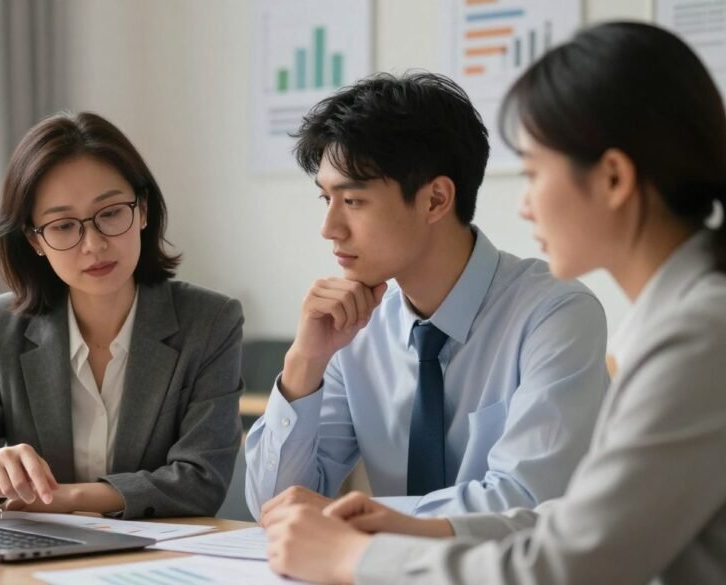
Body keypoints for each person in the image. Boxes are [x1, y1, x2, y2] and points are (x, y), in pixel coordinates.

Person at [263, 21, 726, 584]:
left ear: (612, 178)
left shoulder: (696, 335)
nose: (525, 205)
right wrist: (304, 366)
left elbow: (571, 559)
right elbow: (574, 522)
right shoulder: (687, 320)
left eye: (533, 173)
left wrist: (353, 556)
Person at [246, 72, 610, 520]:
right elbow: (275, 507)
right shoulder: (353, 328)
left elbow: (524, 500)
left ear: (436, 200)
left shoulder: (556, 314)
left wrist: (359, 517)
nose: (329, 229)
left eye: (353, 201)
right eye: (326, 200)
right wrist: (305, 362)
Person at [0, 112, 244, 519]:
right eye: (64, 226)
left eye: (110, 214)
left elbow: (201, 480)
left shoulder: (210, 321)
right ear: (35, 240)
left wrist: (67, 499)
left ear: (141, 210)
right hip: (33, 558)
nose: (93, 244)